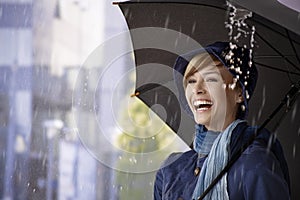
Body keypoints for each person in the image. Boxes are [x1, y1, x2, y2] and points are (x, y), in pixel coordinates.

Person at [153, 42, 290, 200]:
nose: (197, 89)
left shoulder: (254, 163)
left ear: (239, 92)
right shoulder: (171, 169)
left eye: (211, 79)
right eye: (191, 81)